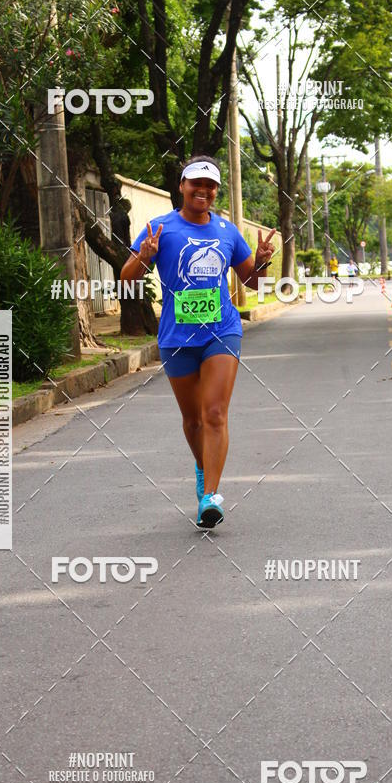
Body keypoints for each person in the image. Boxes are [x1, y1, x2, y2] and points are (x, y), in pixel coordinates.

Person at [120, 156, 275, 529]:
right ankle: (203, 470)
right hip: (177, 336)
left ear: (216, 190)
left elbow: (251, 282)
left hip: (221, 331)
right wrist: (145, 257)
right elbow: (127, 280)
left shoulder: (227, 231)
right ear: (182, 186)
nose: (203, 191)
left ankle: (211, 496)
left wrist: (264, 263)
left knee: (215, 414)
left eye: (210, 185)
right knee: (192, 421)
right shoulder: (160, 228)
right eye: (196, 184)